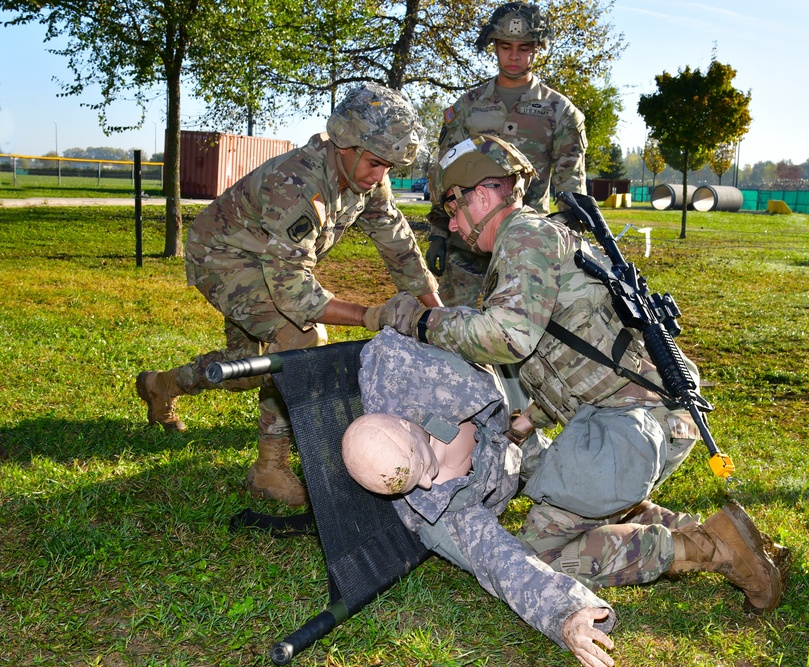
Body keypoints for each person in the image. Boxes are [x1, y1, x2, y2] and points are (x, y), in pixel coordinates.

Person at [367, 135, 786, 615]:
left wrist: (421, 321)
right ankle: (730, 535)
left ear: (481, 194)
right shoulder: (542, 236)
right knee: (553, 479)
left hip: (631, 431)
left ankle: (711, 549)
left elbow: (508, 337)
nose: (456, 226)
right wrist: (527, 422)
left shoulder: (523, 238)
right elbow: (571, 355)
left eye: (454, 210)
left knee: (542, 551)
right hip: (651, 422)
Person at [136, 82, 442, 507]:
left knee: (249, 374)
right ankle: (268, 469)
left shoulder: (367, 178)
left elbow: (400, 246)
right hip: (223, 259)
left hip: (266, 260)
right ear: (344, 143)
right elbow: (296, 296)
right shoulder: (296, 182)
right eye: (375, 163)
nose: (380, 177)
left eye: (389, 167)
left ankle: (161, 385)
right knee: (302, 340)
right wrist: (375, 315)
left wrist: (437, 314)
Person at [343, 329, 616, 667]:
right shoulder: (441, 516)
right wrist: (566, 614)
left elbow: (424, 325)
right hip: (507, 466)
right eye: (414, 484)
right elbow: (501, 563)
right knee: (587, 506)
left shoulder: (396, 370)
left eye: (423, 468)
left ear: (406, 423)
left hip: (512, 429)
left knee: (601, 489)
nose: (427, 485)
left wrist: (518, 427)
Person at [425, 1, 588, 308]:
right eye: (506, 46)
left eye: (525, 47)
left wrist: (560, 247)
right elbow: (445, 175)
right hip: (466, 251)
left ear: (538, 49)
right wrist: (438, 235)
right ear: (494, 47)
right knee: (456, 337)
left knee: (518, 342)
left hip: (526, 249)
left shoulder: (560, 112)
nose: (514, 55)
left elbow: (572, 193)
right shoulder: (467, 108)